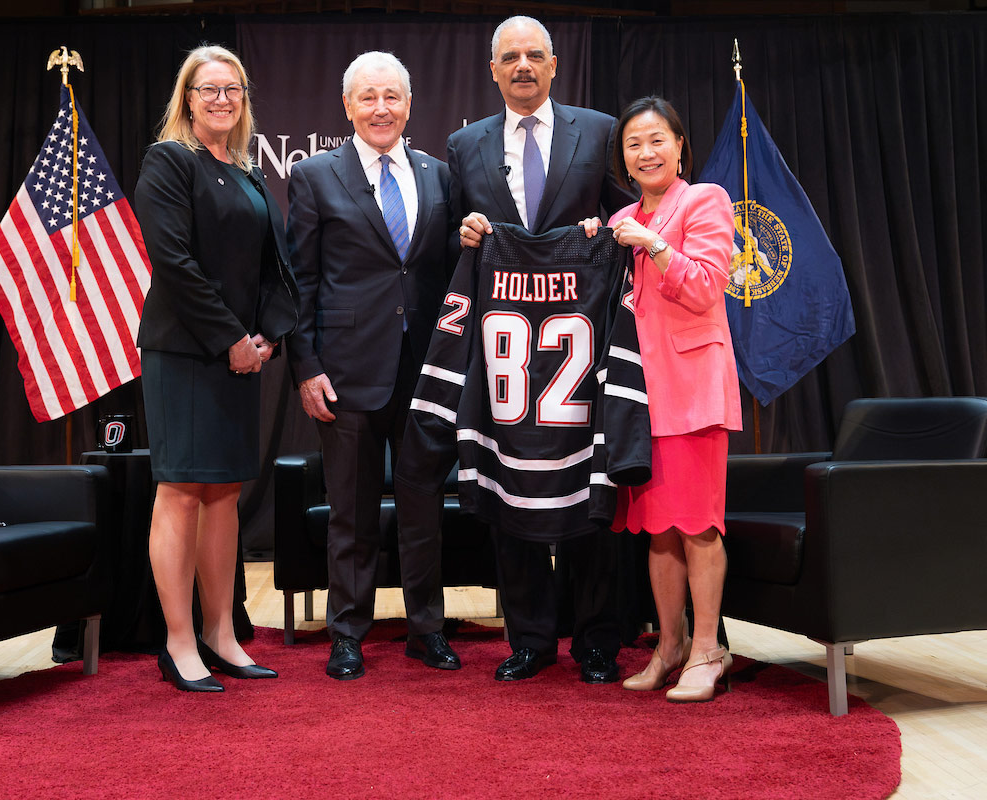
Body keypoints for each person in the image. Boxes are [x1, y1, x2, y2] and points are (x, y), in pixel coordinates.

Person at [450, 15, 630, 684]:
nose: (522, 66)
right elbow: (450, 241)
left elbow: (633, 218)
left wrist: (606, 228)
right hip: (506, 358)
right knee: (510, 495)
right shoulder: (465, 146)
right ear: (493, 71)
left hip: (581, 348)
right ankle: (528, 640)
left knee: (587, 492)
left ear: (554, 65)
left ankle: (596, 641)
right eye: (509, 57)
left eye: (534, 55)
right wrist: (467, 231)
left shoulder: (602, 131)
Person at [286, 52, 458, 680]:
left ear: (409, 105)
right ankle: (348, 633)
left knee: (424, 507)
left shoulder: (439, 175)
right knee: (351, 512)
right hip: (345, 371)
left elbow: (444, 275)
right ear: (348, 106)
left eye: (392, 97)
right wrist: (305, 366)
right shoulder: (314, 177)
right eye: (368, 98)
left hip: (424, 371)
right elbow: (300, 281)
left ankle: (426, 630)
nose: (381, 108)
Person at [134, 44, 299, 692]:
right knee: (180, 490)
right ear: (187, 99)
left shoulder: (249, 172)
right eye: (209, 90)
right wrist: (230, 338)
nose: (223, 99)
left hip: (237, 357)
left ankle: (220, 633)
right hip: (184, 354)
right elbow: (174, 262)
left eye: (232, 89)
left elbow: (270, 269)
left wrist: (264, 338)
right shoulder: (170, 161)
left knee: (225, 494)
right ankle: (178, 643)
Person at [581, 96, 741, 702]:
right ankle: (668, 646)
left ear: (679, 146)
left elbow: (706, 287)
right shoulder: (621, 217)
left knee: (698, 526)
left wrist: (654, 243)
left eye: (657, 140)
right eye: (633, 144)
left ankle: (707, 650)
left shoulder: (705, 201)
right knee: (659, 530)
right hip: (636, 396)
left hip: (694, 391)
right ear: (621, 156)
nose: (646, 153)